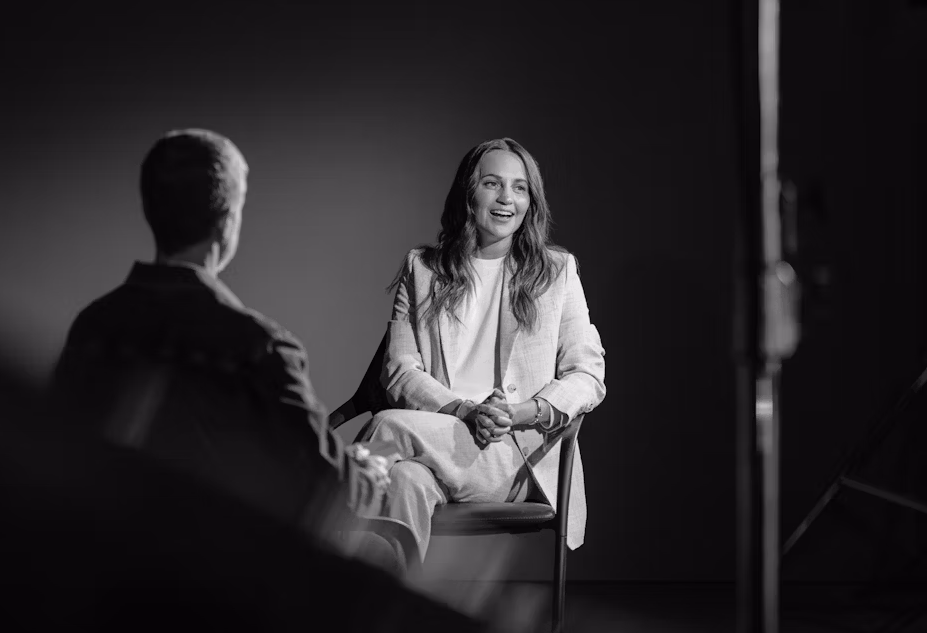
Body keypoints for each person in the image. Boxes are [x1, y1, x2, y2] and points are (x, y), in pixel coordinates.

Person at [51, 128, 389, 549]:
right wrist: (366, 477)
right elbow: (323, 486)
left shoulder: (93, 325)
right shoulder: (260, 346)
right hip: (215, 574)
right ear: (228, 218)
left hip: (94, 549)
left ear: (152, 209)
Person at [358, 137, 606, 571]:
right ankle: (390, 612)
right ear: (468, 193)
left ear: (532, 201)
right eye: (492, 183)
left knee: (385, 425)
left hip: (514, 453)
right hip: (437, 441)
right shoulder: (422, 269)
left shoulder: (557, 272)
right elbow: (399, 371)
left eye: (520, 187)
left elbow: (588, 374)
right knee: (403, 479)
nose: (506, 198)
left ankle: (312, 537)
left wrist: (522, 411)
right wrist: (465, 410)